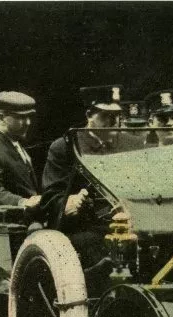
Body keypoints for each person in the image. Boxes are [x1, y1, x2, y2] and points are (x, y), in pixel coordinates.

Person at [40, 85, 124, 276]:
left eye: (117, 116)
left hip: (121, 224)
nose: (113, 122)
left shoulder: (124, 145)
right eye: (106, 116)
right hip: (82, 229)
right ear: (89, 115)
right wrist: (71, 202)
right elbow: (51, 198)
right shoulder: (66, 147)